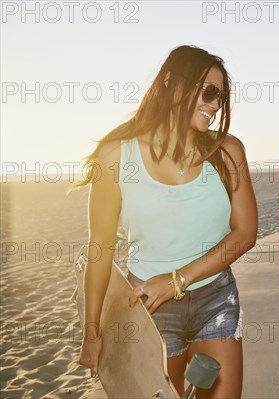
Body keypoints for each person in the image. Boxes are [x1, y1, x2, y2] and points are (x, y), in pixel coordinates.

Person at [76, 45, 257, 398]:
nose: (215, 105)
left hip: (215, 300)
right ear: (173, 87)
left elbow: (246, 233)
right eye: (207, 92)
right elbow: (99, 249)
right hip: (148, 311)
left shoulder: (228, 151)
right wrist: (92, 333)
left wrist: (177, 280)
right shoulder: (115, 155)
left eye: (220, 97)